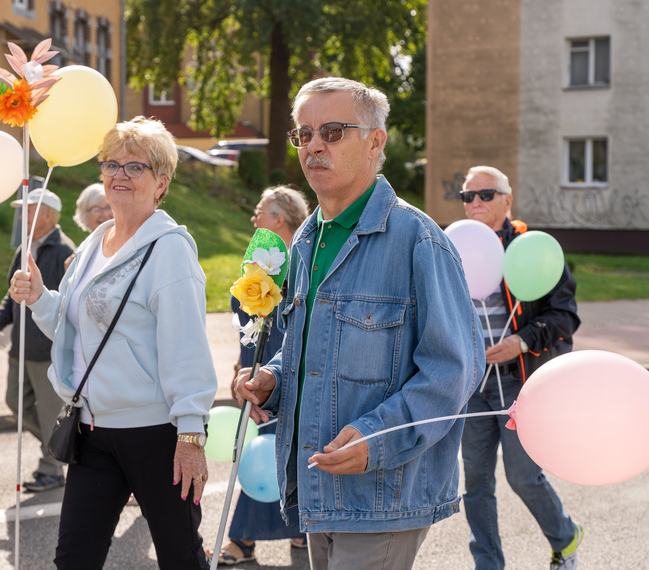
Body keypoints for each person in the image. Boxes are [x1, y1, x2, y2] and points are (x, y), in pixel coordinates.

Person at [232, 77, 485, 570]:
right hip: (315, 487)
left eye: (332, 131)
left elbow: (455, 371)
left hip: (381, 497)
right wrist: (275, 380)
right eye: (303, 134)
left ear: (375, 142)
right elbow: (314, 349)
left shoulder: (418, 240)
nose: (314, 146)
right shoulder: (305, 240)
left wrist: (378, 439)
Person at [10, 116, 217, 569]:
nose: (119, 175)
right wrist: (40, 298)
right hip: (92, 431)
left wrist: (190, 434)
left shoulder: (169, 249)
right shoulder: (93, 243)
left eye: (135, 167)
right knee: (73, 559)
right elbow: (72, 329)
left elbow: (187, 347)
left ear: (161, 182)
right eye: (111, 164)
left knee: (180, 557)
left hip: (156, 436)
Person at [459, 165, 582, 570]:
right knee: (475, 486)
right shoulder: (452, 247)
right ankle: (488, 564)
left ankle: (565, 537)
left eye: (485, 194)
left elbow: (563, 315)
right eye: (467, 195)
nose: (475, 202)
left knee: (523, 476)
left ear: (507, 200)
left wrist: (521, 341)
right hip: (471, 385)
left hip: (519, 381)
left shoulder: (534, 248)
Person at [208, 185, 310, 565]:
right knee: (275, 452)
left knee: (267, 453)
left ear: (279, 219)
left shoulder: (303, 259)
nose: (254, 218)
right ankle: (298, 532)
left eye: (260, 212)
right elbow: (248, 323)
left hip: (286, 373)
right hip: (259, 367)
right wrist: (241, 365)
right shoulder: (262, 261)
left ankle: (242, 540)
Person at [0, 189, 74, 492]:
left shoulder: (65, 250)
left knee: (50, 415)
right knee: (14, 403)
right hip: (20, 348)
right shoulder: (25, 248)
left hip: (47, 352)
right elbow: (13, 293)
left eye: (29, 210)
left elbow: (67, 304)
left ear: (48, 214)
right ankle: (65, 448)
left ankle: (51, 469)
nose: (22, 216)